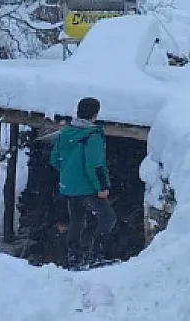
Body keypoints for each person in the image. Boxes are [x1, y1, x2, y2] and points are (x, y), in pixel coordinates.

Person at [49, 96, 116, 270]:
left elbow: (55, 159)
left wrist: (69, 174)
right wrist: (102, 187)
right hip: (88, 187)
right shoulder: (92, 136)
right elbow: (95, 165)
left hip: (69, 187)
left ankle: (74, 257)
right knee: (108, 217)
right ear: (95, 114)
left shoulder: (66, 132)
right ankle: (96, 255)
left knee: (77, 221)